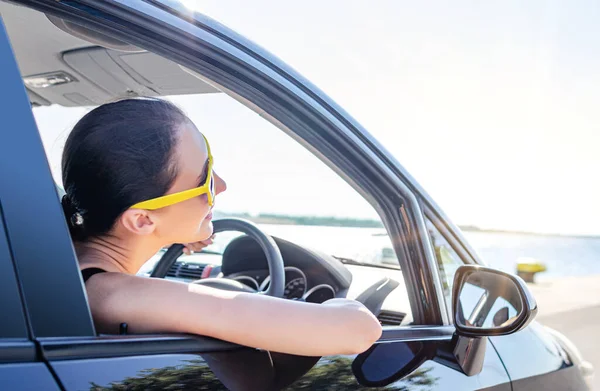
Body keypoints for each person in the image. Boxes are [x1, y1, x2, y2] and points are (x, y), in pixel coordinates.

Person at [60, 97, 382, 357]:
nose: (222, 185)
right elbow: (356, 330)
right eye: (204, 181)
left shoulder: (63, 262)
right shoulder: (117, 297)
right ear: (142, 220)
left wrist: (167, 236)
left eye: (211, 163)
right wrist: (344, 303)